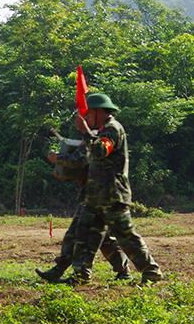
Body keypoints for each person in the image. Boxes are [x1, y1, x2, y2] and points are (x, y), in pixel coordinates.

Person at [65, 93, 163, 285]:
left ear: (99, 111)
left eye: (88, 114)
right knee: (85, 233)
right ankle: (80, 274)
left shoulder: (112, 129)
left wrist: (85, 132)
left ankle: (151, 271)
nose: (85, 118)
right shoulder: (101, 130)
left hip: (112, 195)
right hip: (97, 197)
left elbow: (101, 151)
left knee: (125, 235)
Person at [35, 141, 130, 283]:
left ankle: (79, 274)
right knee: (103, 239)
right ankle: (123, 271)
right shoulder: (96, 136)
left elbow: (81, 159)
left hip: (100, 195)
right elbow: (87, 169)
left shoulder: (96, 136)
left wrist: (58, 158)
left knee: (81, 235)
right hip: (94, 193)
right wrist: (65, 175)